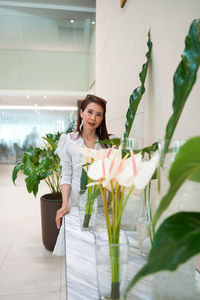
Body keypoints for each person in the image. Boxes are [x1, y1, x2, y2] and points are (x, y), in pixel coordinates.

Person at [53, 94, 111, 255]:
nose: (93, 118)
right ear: (81, 113)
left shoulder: (107, 144)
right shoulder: (68, 140)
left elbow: (110, 177)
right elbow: (66, 176)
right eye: (90, 112)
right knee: (77, 252)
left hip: (100, 203)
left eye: (99, 114)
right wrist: (65, 204)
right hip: (76, 202)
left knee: (98, 250)